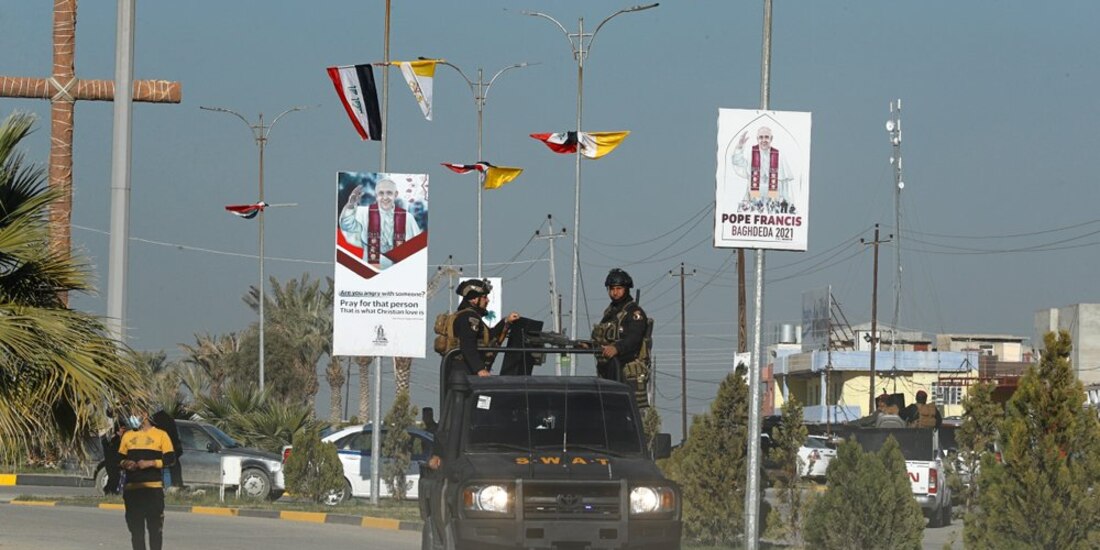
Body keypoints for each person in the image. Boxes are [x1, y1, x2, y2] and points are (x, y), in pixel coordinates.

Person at [443, 279, 519, 397]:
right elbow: (467, 345)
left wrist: (506, 321)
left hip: (465, 372)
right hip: (464, 373)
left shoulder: (470, 316)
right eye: (484, 297)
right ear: (474, 299)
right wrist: (480, 370)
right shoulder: (469, 318)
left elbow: (489, 336)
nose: (487, 300)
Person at [590, 268, 651, 406]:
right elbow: (601, 338)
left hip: (626, 373)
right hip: (608, 372)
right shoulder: (610, 313)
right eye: (612, 289)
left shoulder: (634, 313)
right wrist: (588, 345)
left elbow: (634, 339)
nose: (615, 292)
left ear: (626, 289)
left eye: (619, 288)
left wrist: (617, 348)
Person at [119, 406, 175, 550]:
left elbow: (170, 459)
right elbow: (119, 459)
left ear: (145, 414)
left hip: (153, 490)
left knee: (155, 531)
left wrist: (151, 463)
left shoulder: (161, 435)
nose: (132, 417)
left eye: (135, 413)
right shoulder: (128, 435)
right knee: (136, 532)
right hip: (132, 491)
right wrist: (126, 463)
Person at [339, 178, 422, 269]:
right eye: (381, 193)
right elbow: (347, 225)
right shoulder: (364, 213)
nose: (385, 197)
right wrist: (350, 205)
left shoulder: (408, 218)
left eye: (389, 193)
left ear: (396, 194)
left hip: (399, 273)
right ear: (376, 195)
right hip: (370, 272)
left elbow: (417, 249)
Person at [730, 126, 797, 213]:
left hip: (774, 196)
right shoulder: (750, 153)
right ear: (757, 139)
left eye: (766, 137)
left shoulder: (779, 155)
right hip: (754, 195)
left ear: (771, 138)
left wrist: (788, 201)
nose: (764, 140)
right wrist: (739, 146)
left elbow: (784, 183)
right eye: (761, 137)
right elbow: (737, 162)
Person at [150, 408, 183, 489]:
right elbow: (175, 438)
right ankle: (174, 487)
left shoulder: (156, 421)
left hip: (161, 451)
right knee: (172, 471)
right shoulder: (169, 420)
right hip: (171, 451)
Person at [101, 421, 128, 495]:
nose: (124, 430)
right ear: (118, 429)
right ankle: (110, 492)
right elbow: (111, 451)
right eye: (122, 428)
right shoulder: (114, 439)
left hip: (116, 463)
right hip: (112, 462)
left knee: (114, 478)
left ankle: (110, 492)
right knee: (114, 478)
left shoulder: (121, 439)